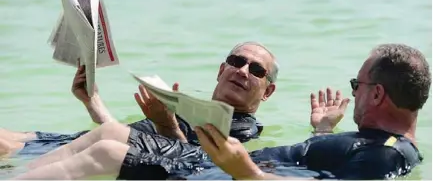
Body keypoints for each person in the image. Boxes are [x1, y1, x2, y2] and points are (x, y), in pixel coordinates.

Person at [13, 43, 429, 180]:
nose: (351, 93)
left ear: (376, 96)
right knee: (108, 137)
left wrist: (246, 171)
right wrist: (321, 132)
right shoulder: (374, 145)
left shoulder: (389, 154)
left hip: (228, 173)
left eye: (357, 87)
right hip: (226, 167)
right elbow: (322, 169)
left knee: (107, 150)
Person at [1, 42, 285, 160]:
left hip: (89, 155)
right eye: (236, 62)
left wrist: (167, 125)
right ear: (221, 70)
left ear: (267, 92)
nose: (242, 71)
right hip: (86, 141)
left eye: (256, 70)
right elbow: (130, 137)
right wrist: (93, 101)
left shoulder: (242, 130)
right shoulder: (195, 108)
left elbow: (191, 166)